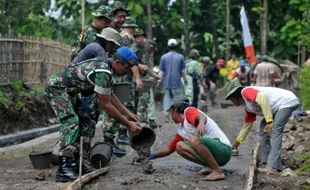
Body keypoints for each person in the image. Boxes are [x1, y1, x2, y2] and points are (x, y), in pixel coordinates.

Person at [45, 47, 142, 182]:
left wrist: (128, 113)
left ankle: (81, 161)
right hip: (57, 89)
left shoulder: (107, 68)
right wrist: (128, 124)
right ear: (117, 63)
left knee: (86, 121)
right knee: (71, 122)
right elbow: (106, 105)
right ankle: (65, 168)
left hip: (70, 92)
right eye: (126, 68)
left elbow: (110, 95)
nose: (126, 73)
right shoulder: (103, 71)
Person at [140, 95, 232, 181]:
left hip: (223, 149)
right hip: (216, 154)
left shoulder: (188, 111)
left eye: (171, 112)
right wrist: (149, 156)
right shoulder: (182, 129)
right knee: (179, 146)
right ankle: (210, 166)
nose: (170, 116)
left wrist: (200, 123)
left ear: (175, 109)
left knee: (192, 140)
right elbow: (169, 149)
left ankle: (217, 171)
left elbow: (201, 116)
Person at [225, 78, 299, 174]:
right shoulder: (248, 107)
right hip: (277, 108)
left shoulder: (246, 91)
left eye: (231, 99)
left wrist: (269, 121)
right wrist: (236, 144)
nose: (232, 102)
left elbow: (263, 97)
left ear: (235, 96)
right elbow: (246, 127)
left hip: (286, 102)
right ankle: (266, 161)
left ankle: (273, 167)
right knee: (262, 130)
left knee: (275, 130)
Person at [132, 31, 162, 128]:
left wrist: (154, 75)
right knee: (137, 100)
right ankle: (138, 122)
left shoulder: (144, 50)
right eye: (138, 37)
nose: (140, 39)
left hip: (144, 78)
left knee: (145, 99)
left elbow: (146, 66)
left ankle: (143, 121)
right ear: (135, 38)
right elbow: (131, 63)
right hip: (135, 77)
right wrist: (138, 73)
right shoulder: (134, 49)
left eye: (142, 37)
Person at [158, 39, 187, 123]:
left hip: (166, 83)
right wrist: (185, 80)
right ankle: (179, 116)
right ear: (176, 47)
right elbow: (183, 71)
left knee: (167, 99)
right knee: (178, 100)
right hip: (177, 82)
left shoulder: (163, 57)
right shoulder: (180, 57)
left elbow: (161, 72)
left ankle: (166, 117)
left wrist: (159, 82)